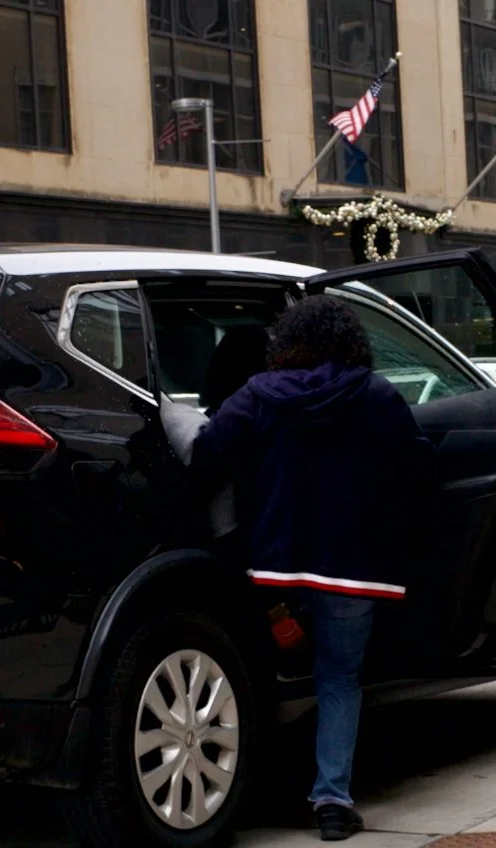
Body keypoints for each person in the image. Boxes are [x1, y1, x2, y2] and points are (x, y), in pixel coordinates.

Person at [188, 295, 434, 842]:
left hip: (271, 569)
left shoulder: (257, 395)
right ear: (352, 342)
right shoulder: (376, 395)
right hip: (352, 568)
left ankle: (244, 788)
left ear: (286, 341)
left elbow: (207, 455)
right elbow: (417, 466)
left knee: (251, 671)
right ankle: (332, 801)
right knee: (339, 680)